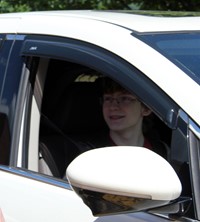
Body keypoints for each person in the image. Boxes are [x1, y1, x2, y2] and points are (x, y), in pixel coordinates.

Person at [100, 77, 153, 149]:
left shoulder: (162, 152)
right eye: (108, 99)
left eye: (125, 99)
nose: (113, 107)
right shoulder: (86, 153)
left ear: (146, 108)